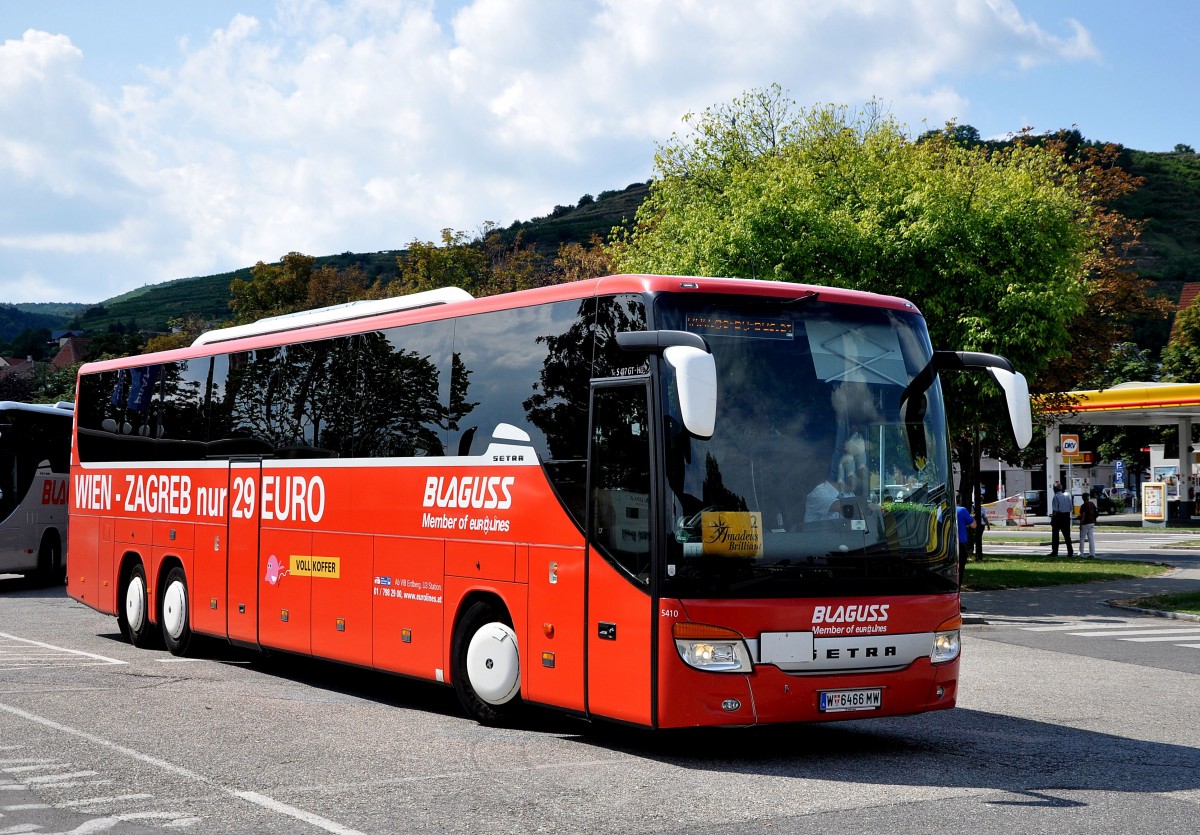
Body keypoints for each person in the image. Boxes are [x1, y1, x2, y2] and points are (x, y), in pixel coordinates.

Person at [1049, 483, 1074, 557]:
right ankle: (1070, 552)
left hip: (1059, 516)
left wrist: (1053, 519)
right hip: (1066, 516)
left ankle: (1055, 551)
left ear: (1055, 489)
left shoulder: (1056, 497)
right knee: (1067, 535)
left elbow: (1055, 510)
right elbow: (1070, 508)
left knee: (1055, 535)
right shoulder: (1067, 497)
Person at [956, 497, 976, 583]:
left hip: (946, 545)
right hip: (959, 543)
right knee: (960, 568)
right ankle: (958, 586)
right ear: (960, 502)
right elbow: (974, 525)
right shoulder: (962, 510)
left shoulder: (941, 509)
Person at [1078, 492, 1098, 558]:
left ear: (1083, 498)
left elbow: (1083, 515)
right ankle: (1092, 554)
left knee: (1082, 539)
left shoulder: (1083, 505)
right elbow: (1096, 512)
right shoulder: (1092, 504)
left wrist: (1081, 524)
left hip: (1085, 523)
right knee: (1091, 539)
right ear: (1088, 497)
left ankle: (1081, 553)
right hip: (1092, 522)